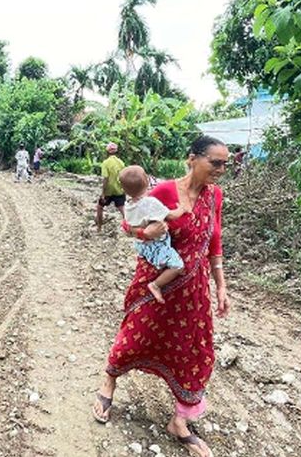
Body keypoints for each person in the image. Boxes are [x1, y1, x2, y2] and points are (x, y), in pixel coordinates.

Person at [92, 135, 231, 457]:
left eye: (226, 163)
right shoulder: (165, 191)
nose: (222, 169)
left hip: (193, 290)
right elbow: (130, 221)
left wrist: (221, 286)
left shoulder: (215, 197)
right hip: (155, 282)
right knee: (135, 337)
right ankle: (109, 380)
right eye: (216, 162)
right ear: (192, 159)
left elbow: (215, 243)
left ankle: (179, 422)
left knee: (195, 351)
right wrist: (143, 233)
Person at [119, 165, 186, 304]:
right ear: (147, 181)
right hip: (156, 245)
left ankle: (159, 266)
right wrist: (182, 208)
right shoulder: (150, 203)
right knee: (178, 266)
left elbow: (127, 225)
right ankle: (156, 285)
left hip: (141, 245)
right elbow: (171, 216)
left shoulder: (128, 204)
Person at [95, 142, 126, 232]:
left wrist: (103, 193)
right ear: (116, 152)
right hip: (119, 190)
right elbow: (123, 177)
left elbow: (105, 179)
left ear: (107, 152)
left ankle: (99, 228)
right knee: (122, 209)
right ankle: (129, 229)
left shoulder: (106, 163)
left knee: (99, 207)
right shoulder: (121, 162)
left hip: (108, 190)